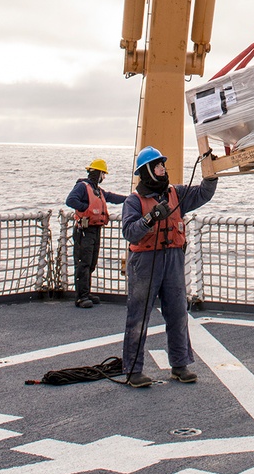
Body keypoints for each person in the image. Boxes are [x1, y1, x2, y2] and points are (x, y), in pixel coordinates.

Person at [120, 146, 217, 388]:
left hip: (172, 258)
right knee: (138, 316)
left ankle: (180, 365)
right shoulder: (133, 201)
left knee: (177, 311)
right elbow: (130, 233)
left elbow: (203, 194)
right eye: (158, 165)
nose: (163, 169)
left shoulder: (177, 194)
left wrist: (211, 173)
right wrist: (150, 218)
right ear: (147, 172)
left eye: (162, 165)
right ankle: (133, 370)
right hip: (144, 263)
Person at [64, 159, 127, 309]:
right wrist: (86, 208)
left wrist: (130, 199)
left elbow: (112, 197)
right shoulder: (82, 187)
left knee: (91, 262)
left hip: (94, 229)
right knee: (83, 263)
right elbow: (70, 200)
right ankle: (81, 297)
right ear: (98, 173)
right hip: (84, 231)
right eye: (103, 174)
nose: (104, 177)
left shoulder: (97, 190)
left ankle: (86, 292)